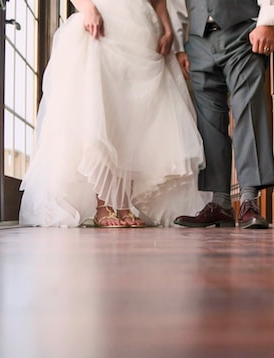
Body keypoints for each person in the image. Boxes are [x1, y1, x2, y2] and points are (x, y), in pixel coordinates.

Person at [19, 0, 207, 228]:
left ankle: (124, 205)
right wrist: (88, 9)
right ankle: (103, 205)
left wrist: (168, 30)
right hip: (105, 24)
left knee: (133, 120)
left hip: (143, 31)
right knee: (106, 112)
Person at [172, 0, 274, 229]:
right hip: (198, 40)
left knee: (247, 111)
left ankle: (249, 200)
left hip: (243, 31)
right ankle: (220, 204)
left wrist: (267, 21)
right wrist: (179, 46)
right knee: (208, 123)